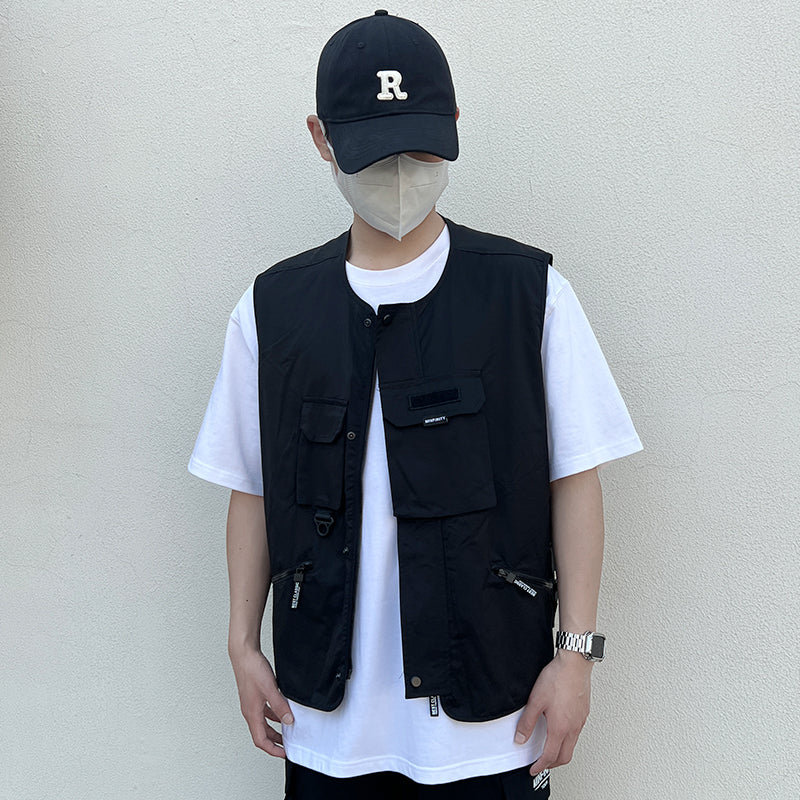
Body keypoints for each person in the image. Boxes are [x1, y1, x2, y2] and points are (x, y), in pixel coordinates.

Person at [188, 10, 642, 799]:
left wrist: (576, 658)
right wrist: (241, 644)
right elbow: (252, 489)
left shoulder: (529, 295)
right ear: (322, 138)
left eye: (422, 147)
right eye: (373, 150)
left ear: (455, 123)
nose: (399, 171)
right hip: (324, 726)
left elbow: (575, 478)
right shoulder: (272, 311)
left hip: (494, 723)